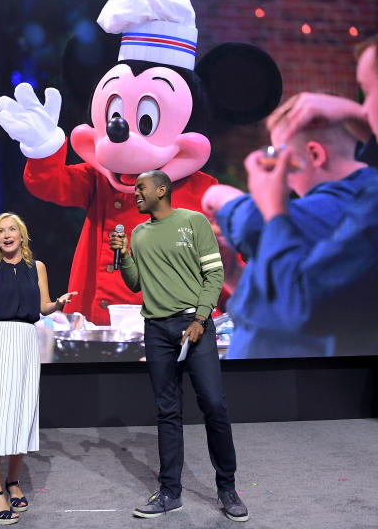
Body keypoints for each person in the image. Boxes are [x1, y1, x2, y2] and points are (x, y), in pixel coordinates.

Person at [244, 25, 378, 355]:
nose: (364, 107)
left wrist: (273, 210)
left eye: (366, 92)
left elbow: (305, 305)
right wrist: (357, 114)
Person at [110, 171, 248, 522]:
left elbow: (214, 275)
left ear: (162, 189)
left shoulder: (194, 221)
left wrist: (200, 320)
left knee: (214, 405)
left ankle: (227, 488)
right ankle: (170, 491)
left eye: (141, 188)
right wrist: (124, 255)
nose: (135, 193)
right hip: (156, 329)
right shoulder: (138, 234)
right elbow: (135, 284)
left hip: (194, 324)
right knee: (167, 411)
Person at [202, 94, 378, 358]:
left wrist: (222, 198)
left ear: (315, 155)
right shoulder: (313, 221)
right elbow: (284, 300)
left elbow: (253, 223)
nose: (284, 178)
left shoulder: (347, 202)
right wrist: (234, 274)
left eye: (284, 162)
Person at [0, 212, 76, 525]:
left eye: (11, 229)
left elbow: (44, 307)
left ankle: (12, 481)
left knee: (20, 411)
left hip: (24, 341)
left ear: (22, 235)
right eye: (0, 232)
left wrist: (59, 303)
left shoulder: (37, 268)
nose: (6, 235)